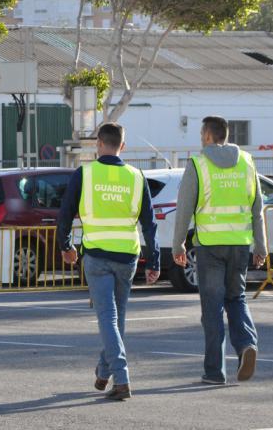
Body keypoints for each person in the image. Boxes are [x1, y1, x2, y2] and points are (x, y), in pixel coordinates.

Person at [58, 123, 160, 401]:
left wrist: (66, 247)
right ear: (122, 146)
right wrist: (154, 261)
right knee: (118, 319)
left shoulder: (85, 173)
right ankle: (105, 371)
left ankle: (122, 378)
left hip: (97, 256)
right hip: (127, 257)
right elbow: (149, 224)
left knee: (107, 318)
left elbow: (65, 214)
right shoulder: (137, 176)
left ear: (98, 144)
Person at [172, 116, 267, 385]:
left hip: (210, 247)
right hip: (239, 244)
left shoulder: (198, 164)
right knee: (236, 299)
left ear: (207, 136)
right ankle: (247, 344)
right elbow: (256, 209)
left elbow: (184, 209)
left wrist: (178, 244)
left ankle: (214, 372)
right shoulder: (247, 163)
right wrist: (261, 246)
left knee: (212, 308)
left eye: (202, 133)